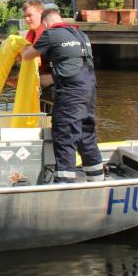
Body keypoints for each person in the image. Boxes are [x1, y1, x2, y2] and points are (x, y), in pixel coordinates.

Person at [21, 9, 104, 183]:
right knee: (86, 132)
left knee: (64, 134)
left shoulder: (50, 34)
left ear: (45, 24)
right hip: (89, 89)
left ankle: (64, 184)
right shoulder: (81, 35)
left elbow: (27, 56)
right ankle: (97, 179)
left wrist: (20, 45)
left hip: (71, 91)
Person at [9, 0, 55, 110]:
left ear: (42, 13)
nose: (27, 19)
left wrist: (23, 54)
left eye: (30, 15)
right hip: (41, 87)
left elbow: (37, 61)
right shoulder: (31, 34)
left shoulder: (45, 33)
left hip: (53, 85)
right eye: (25, 16)